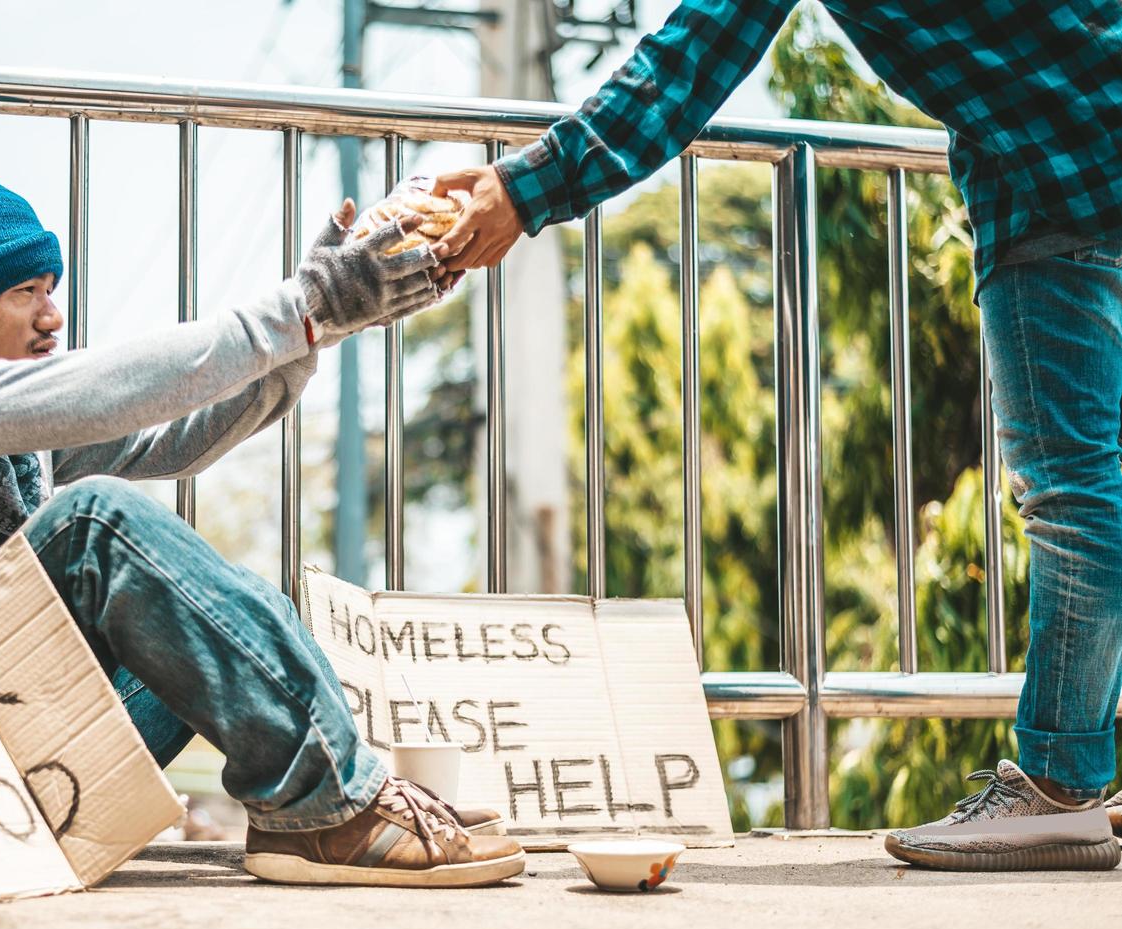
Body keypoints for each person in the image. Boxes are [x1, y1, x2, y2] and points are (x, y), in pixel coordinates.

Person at [431, 1, 1122, 871]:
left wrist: (525, 187)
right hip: (1077, 160)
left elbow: (693, 58)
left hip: (1055, 190)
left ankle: (1059, 786)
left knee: (1073, 491)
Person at [0, 153, 523, 887]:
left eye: (51, 289)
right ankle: (330, 806)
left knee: (218, 608)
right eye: (24, 293)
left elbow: (174, 435)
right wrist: (302, 305)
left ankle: (325, 806)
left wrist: (320, 326)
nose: (51, 316)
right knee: (99, 518)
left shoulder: (7, 412)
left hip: (17, 775)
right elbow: (97, 395)